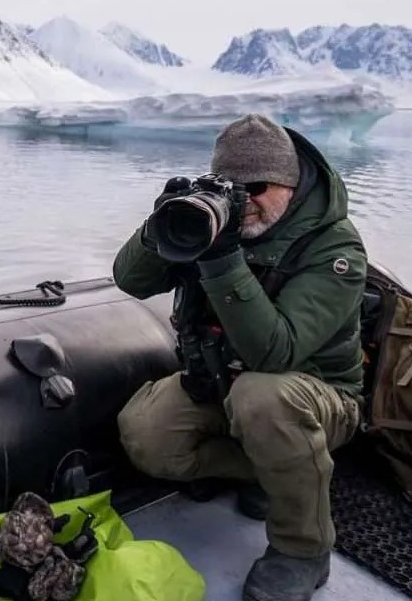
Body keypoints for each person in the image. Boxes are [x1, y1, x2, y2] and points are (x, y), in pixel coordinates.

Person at [111, 114, 366, 601]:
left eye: (259, 187)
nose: (244, 202)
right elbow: (130, 281)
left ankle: (303, 550)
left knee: (262, 397)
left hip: (317, 395)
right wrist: (161, 226)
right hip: (225, 380)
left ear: (290, 185)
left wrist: (222, 259)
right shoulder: (218, 223)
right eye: (234, 187)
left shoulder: (334, 247)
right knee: (146, 435)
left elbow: (277, 352)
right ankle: (267, 470)